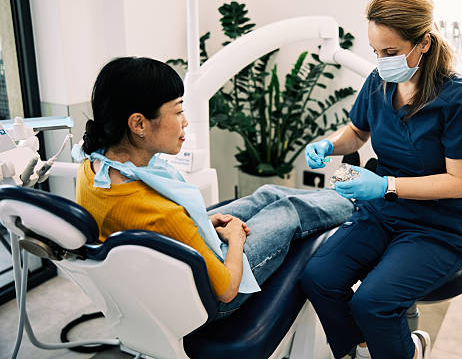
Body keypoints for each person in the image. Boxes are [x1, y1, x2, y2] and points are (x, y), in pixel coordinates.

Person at [74, 56, 354, 318]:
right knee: (288, 209)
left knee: (268, 194)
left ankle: (342, 190)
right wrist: (235, 239)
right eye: (178, 111)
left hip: (162, 276)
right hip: (204, 304)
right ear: (138, 123)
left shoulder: (91, 171)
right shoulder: (161, 213)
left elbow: (149, 227)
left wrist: (202, 222)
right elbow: (227, 289)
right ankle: (359, 196)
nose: (185, 121)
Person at [300, 0, 462, 359]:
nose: (382, 60)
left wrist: (386, 185)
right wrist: (329, 144)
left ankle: (408, 352)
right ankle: (373, 347)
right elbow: (356, 132)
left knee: (373, 302)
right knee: (318, 277)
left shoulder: (459, 99)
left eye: (390, 52)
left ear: (424, 44)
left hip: (436, 227)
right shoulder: (379, 82)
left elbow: (461, 182)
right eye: (376, 52)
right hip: (381, 214)